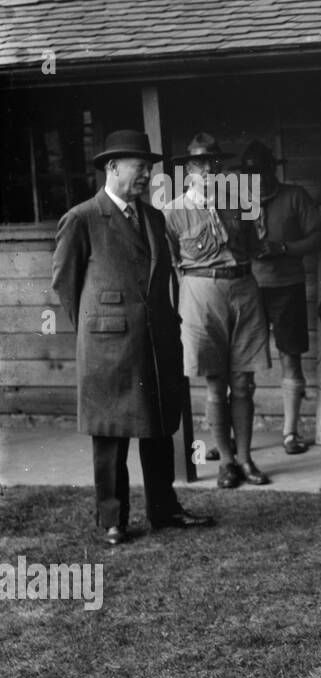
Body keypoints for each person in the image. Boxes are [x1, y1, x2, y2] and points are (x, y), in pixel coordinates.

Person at [52, 130, 212, 544]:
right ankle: (112, 520)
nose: (146, 174)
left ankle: (164, 510)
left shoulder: (155, 217)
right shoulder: (83, 218)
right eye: (139, 167)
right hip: (108, 348)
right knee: (111, 435)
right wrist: (101, 328)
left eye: (149, 167)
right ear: (112, 167)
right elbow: (66, 287)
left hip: (156, 343)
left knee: (158, 428)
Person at [164, 133, 272, 490]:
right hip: (200, 292)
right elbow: (170, 264)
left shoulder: (240, 201)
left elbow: (255, 247)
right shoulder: (172, 211)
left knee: (244, 382)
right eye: (198, 166)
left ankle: (245, 457)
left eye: (213, 164)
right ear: (188, 171)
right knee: (215, 383)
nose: (207, 172)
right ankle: (226, 462)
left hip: (243, 288)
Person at [243, 141, 321, 455]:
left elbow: (317, 237)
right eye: (251, 173)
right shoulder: (238, 199)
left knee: (290, 356)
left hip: (287, 286)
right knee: (242, 362)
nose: (257, 178)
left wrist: (284, 248)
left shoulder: (295, 196)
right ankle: (241, 436)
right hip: (247, 289)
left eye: (262, 171)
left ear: (272, 170)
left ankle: (291, 432)